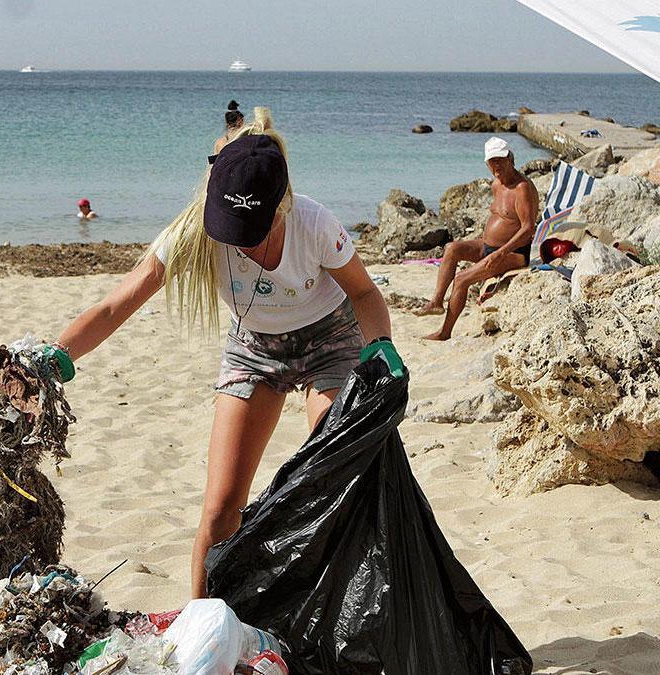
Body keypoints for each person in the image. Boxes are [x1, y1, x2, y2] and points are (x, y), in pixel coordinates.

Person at [39, 107, 404, 598]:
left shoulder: (314, 222)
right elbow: (114, 305)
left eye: (249, 233)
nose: (239, 246)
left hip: (331, 340)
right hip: (252, 347)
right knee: (220, 508)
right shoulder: (194, 232)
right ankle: (202, 624)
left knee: (332, 477)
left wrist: (379, 345)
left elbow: (364, 293)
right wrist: (54, 357)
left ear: (281, 207)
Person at [419, 137, 537, 341]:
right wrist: (487, 243)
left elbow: (527, 229)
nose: (496, 165)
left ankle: (444, 332)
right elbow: (501, 218)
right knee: (452, 248)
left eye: (500, 159)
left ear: (510, 158)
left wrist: (501, 252)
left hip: (513, 254)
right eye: (492, 161)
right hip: (489, 247)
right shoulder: (496, 185)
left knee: (462, 279)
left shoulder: (522, 188)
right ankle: (436, 301)